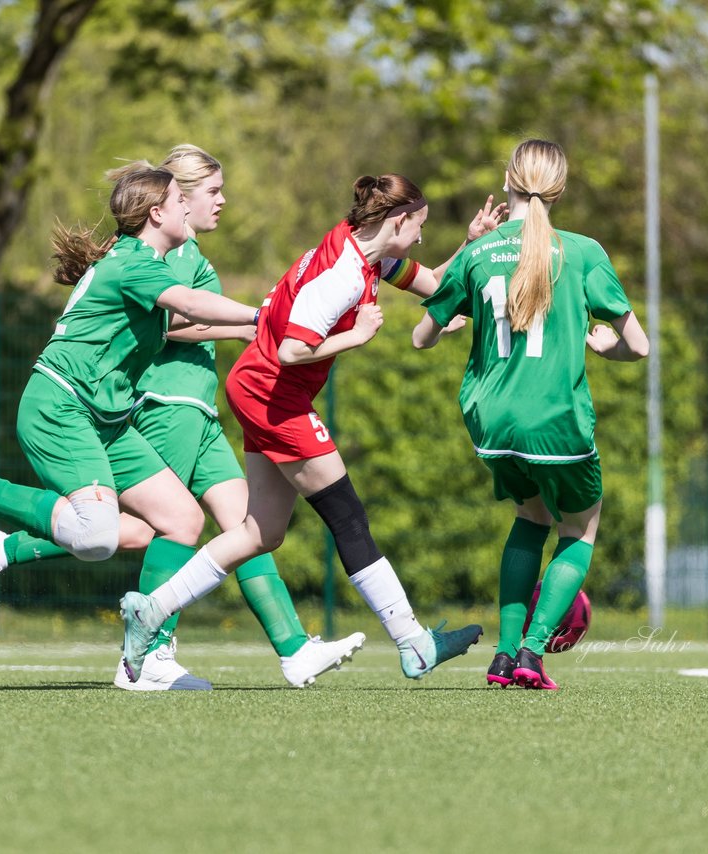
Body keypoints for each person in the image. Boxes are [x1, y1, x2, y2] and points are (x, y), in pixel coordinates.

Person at [0, 145, 367, 689]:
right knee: (148, 529)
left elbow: (183, 314)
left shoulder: (185, 253)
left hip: (198, 410)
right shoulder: (167, 255)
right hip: (164, 404)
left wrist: (249, 327)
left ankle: (293, 648)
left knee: (247, 529)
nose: (221, 202)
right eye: (211, 192)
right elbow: (177, 318)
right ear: (175, 200)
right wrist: (257, 320)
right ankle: (147, 649)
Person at [119, 173, 499, 683]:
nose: (421, 238)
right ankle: (414, 643)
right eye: (420, 227)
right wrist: (357, 337)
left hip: (257, 386)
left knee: (261, 532)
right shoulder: (344, 273)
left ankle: (151, 611)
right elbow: (291, 350)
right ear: (398, 220)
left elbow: (434, 285)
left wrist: (470, 245)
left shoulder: (367, 252)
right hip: (274, 392)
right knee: (347, 516)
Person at [413, 139, 648, 690]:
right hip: (556, 419)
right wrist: (601, 343)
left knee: (529, 518)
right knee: (580, 529)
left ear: (508, 178)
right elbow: (638, 346)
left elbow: (423, 337)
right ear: (560, 189)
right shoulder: (583, 251)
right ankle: (531, 652)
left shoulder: (477, 252)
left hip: (492, 422)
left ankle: (501, 655)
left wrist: (453, 316)